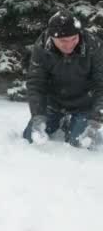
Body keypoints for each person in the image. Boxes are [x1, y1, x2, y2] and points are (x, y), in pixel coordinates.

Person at [24, 10, 103, 148]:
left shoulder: (94, 45)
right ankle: (62, 121)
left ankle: (76, 123)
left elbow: (101, 83)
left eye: (74, 39)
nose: (69, 45)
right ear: (52, 37)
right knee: (30, 137)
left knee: (80, 143)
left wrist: (95, 121)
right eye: (63, 41)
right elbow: (36, 83)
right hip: (54, 103)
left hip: (85, 104)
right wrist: (38, 117)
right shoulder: (42, 46)